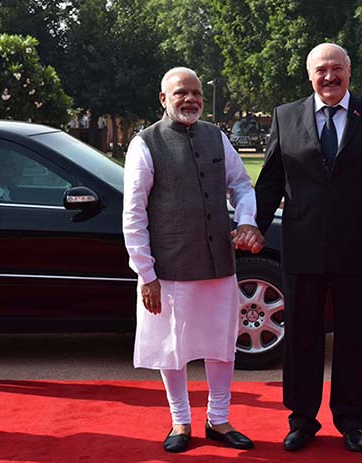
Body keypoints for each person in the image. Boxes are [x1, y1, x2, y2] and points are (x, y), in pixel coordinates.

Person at [255, 43, 362, 452]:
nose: (329, 77)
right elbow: (270, 181)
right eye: (321, 70)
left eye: (336, 69)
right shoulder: (285, 117)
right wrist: (253, 226)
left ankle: (352, 420)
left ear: (349, 71)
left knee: (355, 337)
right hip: (302, 248)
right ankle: (302, 420)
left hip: (359, 250)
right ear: (310, 75)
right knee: (302, 337)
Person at [122, 66, 264, 453]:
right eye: (181, 93)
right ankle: (180, 421)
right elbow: (133, 213)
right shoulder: (145, 144)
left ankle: (218, 420)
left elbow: (240, 185)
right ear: (163, 99)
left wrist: (247, 220)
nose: (190, 100)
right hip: (169, 267)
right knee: (174, 347)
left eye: (196, 93)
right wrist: (145, 273)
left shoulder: (217, 137)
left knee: (221, 344)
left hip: (219, 263)